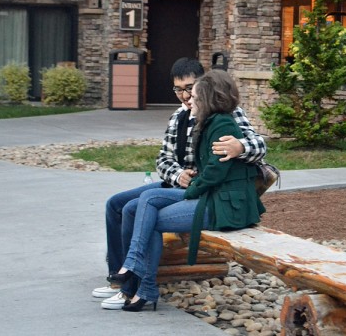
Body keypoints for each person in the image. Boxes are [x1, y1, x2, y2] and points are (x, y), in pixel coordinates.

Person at [94, 58, 266, 310]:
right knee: (116, 204)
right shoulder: (177, 117)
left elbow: (260, 146)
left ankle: (133, 283)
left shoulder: (226, 113)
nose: (185, 96)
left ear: (203, 85)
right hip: (176, 184)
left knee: (136, 207)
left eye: (190, 88)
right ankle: (119, 280)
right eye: (178, 90)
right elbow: (162, 159)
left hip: (204, 190)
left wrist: (240, 146)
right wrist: (177, 175)